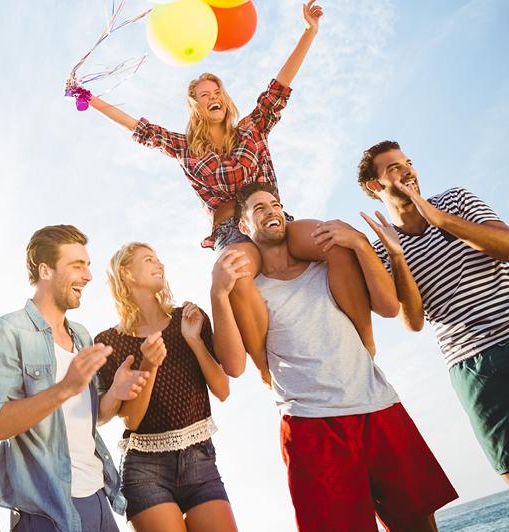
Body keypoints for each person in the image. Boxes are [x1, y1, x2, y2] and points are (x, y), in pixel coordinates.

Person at [82, 0, 378, 375]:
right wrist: (91, 100)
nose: (213, 97)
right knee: (235, 274)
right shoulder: (185, 148)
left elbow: (280, 85)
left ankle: (365, 337)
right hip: (231, 232)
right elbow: (138, 127)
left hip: (274, 221)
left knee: (332, 240)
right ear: (195, 108)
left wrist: (309, 32)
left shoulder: (253, 128)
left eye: (216, 91)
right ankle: (265, 367)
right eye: (203, 95)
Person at [210, 183, 458, 531]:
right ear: (245, 228)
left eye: (276, 204)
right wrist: (218, 292)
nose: (272, 211)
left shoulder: (327, 266)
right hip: (312, 424)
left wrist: (358, 240)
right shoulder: (252, 289)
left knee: (419, 525)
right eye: (260, 208)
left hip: (377, 406)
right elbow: (237, 361)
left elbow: (388, 306)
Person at [0, 225, 150, 532]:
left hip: (97, 497)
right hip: (46, 508)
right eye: (77, 266)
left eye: (88, 265)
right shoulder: (9, 331)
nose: (88, 276)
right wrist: (64, 388)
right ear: (46, 270)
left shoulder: (81, 335)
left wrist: (117, 393)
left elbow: (92, 418)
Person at [357, 139, 509, 484]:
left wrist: (439, 219)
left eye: (408, 162)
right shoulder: (383, 249)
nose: (407, 169)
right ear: (374, 185)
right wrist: (397, 256)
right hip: (472, 365)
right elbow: (412, 321)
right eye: (394, 168)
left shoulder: (456, 200)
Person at [95, 243, 236, 532]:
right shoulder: (108, 342)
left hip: (201, 462)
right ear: (127, 274)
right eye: (149, 260)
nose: (160, 264)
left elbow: (222, 390)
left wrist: (194, 341)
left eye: (159, 259)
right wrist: (149, 365)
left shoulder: (189, 317)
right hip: (145, 471)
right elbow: (131, 420)